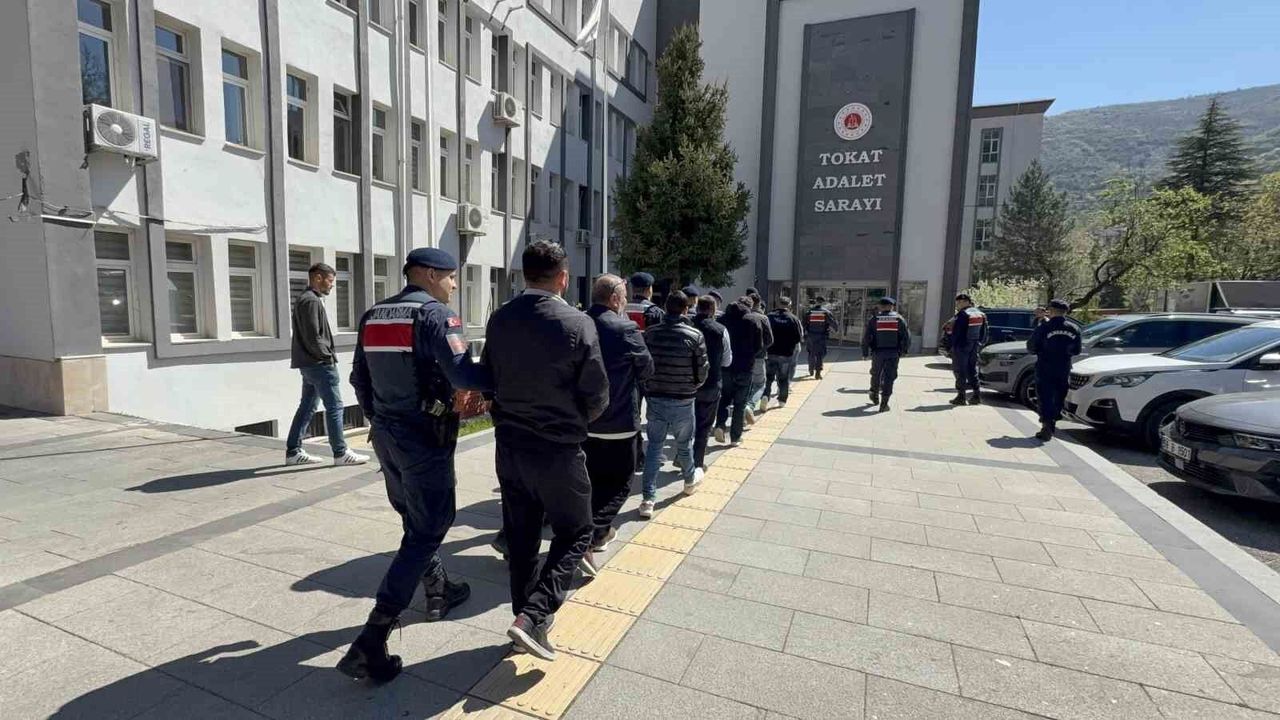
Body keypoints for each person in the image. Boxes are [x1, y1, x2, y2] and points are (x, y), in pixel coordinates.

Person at [337, 248, 491, 683]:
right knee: (429, 527)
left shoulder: (374, 315)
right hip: (425, 437)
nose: (454, 285)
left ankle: (439, 588)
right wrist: (505, 374)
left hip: (387, 436)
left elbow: (359, 378)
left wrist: (382, 418)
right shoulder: (437, 316)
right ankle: (373, 637)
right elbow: (463, 377)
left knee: (413, 517)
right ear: (428, 274)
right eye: (450, 276)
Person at [484, 240, 609, 661]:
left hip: (510, 445)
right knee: (576, 532)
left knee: (521, 537)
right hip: (557, 448)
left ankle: (525, 618)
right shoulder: (577, 323)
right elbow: (596, 393)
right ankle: (534, 617)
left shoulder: (501, 318)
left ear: (524, 274)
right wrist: (576, 420)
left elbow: (489, 377)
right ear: (563, 277)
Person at [584, 274, 654, 558]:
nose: (625, 301)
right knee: (622, 483)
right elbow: (647, 368)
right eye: (624, 297)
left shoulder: (577, 322)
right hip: (619, 419)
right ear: (614, 299)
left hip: (584, 420)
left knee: (592, 479)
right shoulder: (625, 328)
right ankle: (592, 533)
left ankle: (598, 531)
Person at [285, 262, 369, 466]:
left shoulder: (306, 299)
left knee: (307, 406)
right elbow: (314, 336)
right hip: (319, 364)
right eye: (330, 281)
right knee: (335, 407)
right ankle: (341, 453)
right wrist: (326, 357)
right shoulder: (311, 301)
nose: (332, 285)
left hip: (309, 363)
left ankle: (293, 452)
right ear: (318, 278)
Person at [639, 292, 710, 518]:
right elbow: (703, 370)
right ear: (686, 309)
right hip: (683, 398)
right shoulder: (694, 335)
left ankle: (648, 499)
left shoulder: (651, 333)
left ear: (665, 307)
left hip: (656, 396)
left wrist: (649, 385)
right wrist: (693, 386)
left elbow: (643, 365)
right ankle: (689, 481)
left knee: (654, 447)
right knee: (684, 444)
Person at [1028, 299, 1082, 440]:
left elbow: (1032, 347)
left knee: (1045, 396)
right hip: (1063, 367)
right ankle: (1052, 422)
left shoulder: (1044, 327)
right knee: (1059, 395)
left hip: (1045, 366)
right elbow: (1077, 350)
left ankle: (1047, 424)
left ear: (1051, 311)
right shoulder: (1074, 328)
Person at [715, 297, 766, 446]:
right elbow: (759, 345)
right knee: (740, 403)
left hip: (726, 366)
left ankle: (720, 425)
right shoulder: (752, 320)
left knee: (725, 398)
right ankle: (735, 437)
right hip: (745, 366)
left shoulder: (722, 319)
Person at [691, 295, 731, 470]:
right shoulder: (720, 330)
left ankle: (681, 456)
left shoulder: (687, 325)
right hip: (711, 382)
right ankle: (697, 463)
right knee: (704, 425)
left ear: (697, 308)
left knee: (686, 423)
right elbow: (727, 361)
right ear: (713, 310)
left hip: (686, 383)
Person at [862, 297, 911, 412]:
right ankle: (884, 404)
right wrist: (904, 350)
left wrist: (865, 353)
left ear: (880, 307)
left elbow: (866, 337)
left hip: (878, 352)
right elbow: (906, 337)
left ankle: (874, 393)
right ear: (891, 306)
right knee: (889, 377)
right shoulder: (899, 319)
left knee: (875, 374)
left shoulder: (874, 319)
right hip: (893, 353)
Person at [948, 293, 989, 406]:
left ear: (966, 302)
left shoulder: (963, 314)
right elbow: (984, 332)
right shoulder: (980, 314)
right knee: (972, 370)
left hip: (962, 346)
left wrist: (953, 345)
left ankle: (961, 396)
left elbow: (957, 332)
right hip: (974, 345)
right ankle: (976, 395)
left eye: (959, 303)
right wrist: (979, 343)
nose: (958, 305)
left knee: (960, 370)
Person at [763, 296, 803, 410]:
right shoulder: (793, 318)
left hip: (771, 352)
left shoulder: (769, 317)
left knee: (768, 377)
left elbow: (764, 334)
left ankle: (765, 396)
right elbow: (798, 338)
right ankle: (782, 400)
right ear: (789, 305)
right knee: (783, 378)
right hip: (786, 354)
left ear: (778, 304)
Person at [743, 294, 774, 423]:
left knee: (745, 385)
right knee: (760, 384)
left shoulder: (742, 316)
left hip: (741, 357)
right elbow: (770, 340)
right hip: (758, 357)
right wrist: (762, 349)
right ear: (759, 304)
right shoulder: (763, 318)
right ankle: (749, 405)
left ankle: (741, 411)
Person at [805, 296, 839, 379]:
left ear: (816, 301)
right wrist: (836, 330)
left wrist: (803, 334)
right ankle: (818, 372)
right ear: (823, 303)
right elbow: (833, 323)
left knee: (811, 353)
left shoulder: (809, 312)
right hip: (821, 336)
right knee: (820, 354)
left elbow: (804, 323)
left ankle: (811, 368)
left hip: (811, 336)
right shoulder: (826, 312)